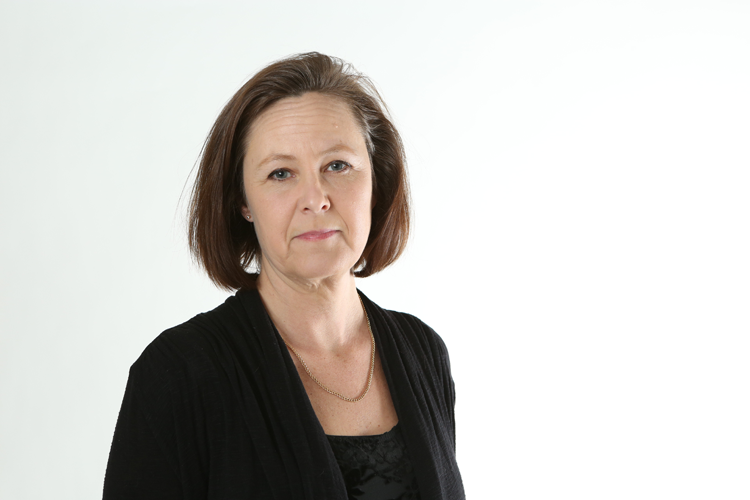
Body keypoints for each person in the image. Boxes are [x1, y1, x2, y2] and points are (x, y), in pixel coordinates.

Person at [103, 52, 464, 500]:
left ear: (377, 180)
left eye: (337, 165)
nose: (316, 198)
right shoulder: (178, 375)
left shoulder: (423, 352)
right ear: (243, 202)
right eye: (280, 173)